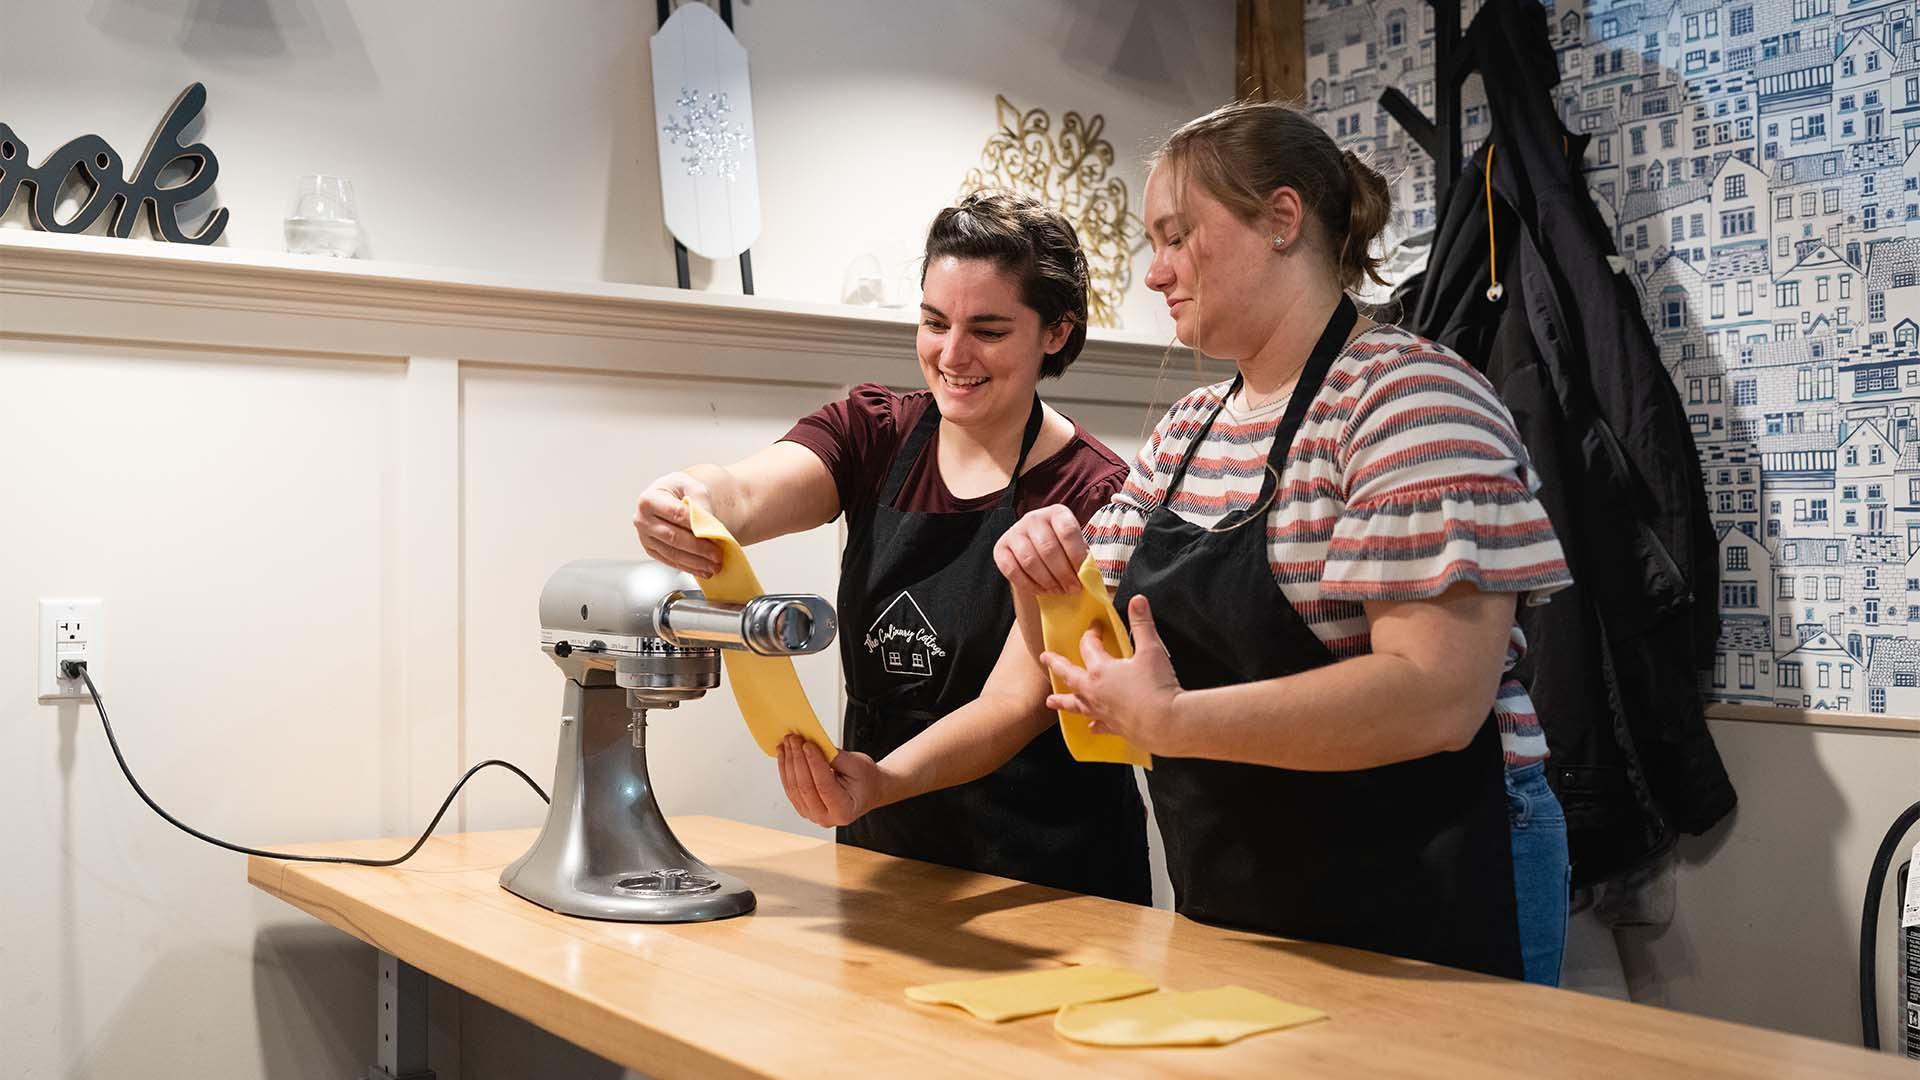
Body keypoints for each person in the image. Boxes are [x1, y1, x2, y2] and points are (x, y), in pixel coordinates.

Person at [782, 102, 1573, 981]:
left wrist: (1173, 721)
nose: (1154, 273)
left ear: (1281, 219)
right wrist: (889, 774)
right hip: (1243, 888)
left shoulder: (1410, 401)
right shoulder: (1187, 433)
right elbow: (1035, 679)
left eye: (1175, 236)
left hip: (1429, 874)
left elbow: (1435, 697)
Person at [635, 190, 1150, 905]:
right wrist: (688, 498)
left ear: (1056, 333)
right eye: (934, 322)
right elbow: (742, 494)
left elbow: (1015, 704)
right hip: (883, 847)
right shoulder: (873, 432)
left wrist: (884, 780)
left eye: (988, 330)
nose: (952, 355)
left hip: (1045, 874)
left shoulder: (1093, 493)